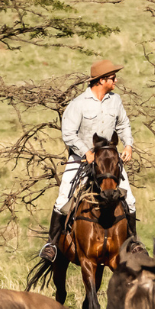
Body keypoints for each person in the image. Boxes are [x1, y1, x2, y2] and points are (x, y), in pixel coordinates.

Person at [41, 59, 137, 262]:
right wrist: (86, 152)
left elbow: (123, 124)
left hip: (109, 162)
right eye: (112, 78)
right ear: (101, 80)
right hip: (80, 160)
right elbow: (68, 134)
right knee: (63, 200)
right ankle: (51, 245)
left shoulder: (115, 101)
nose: (116, 80)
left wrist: (128, 145)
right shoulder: (78, 104)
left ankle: (134, 243)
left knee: (129, 199)